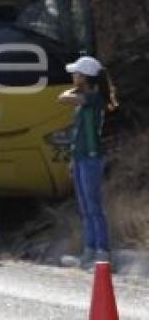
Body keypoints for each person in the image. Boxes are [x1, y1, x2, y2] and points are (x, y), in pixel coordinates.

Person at [57, 55, 117, 269]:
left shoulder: (94, 98)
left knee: (94, 207)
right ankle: (89, 251)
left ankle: (102, 251)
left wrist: (75, 90)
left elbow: (62, 97)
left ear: (86, 77)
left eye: (77, 74)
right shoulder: (85, 96)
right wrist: (73, 159)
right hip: (81, 157)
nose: (73, 76)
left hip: (92, 158)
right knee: (84, 207)